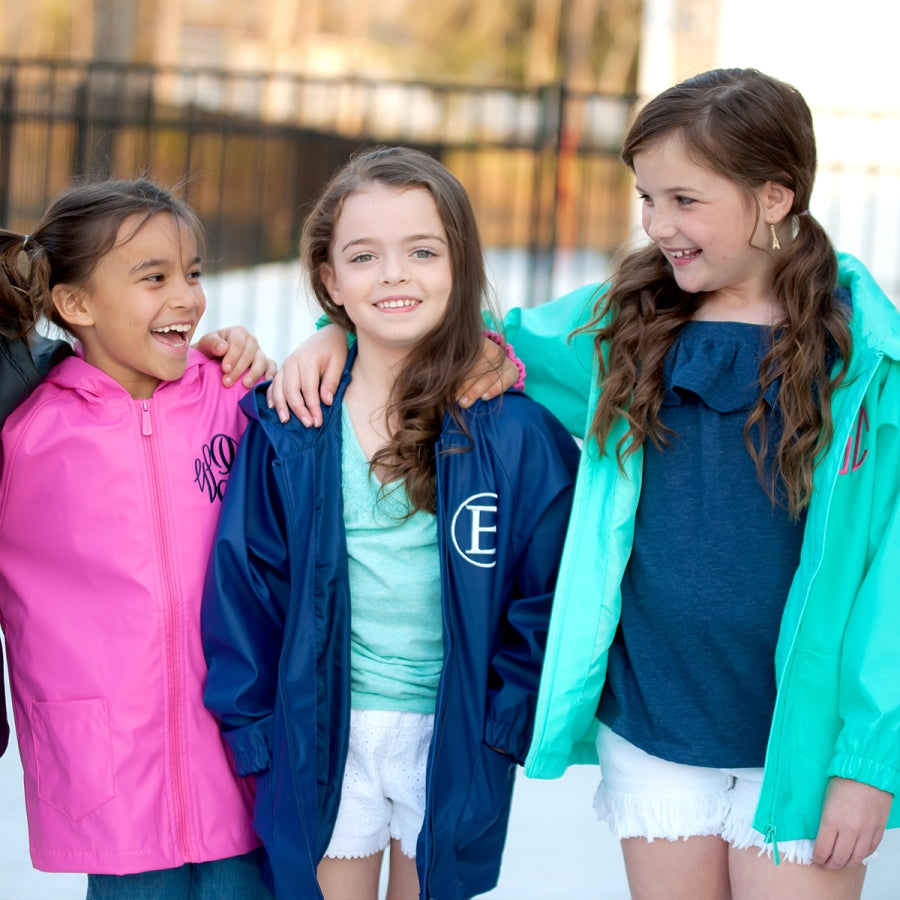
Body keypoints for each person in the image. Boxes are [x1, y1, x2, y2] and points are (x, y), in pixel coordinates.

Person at [268, 69, 900, 900]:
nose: (658, 224)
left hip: (803, 743)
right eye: (648, 199)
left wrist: (866, 762)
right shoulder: (622, 326)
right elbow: (445, 326)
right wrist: (334, 334)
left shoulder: (868, 361)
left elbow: (890, 583)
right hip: (656, 724)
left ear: (775, 197)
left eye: (684, 200)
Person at [200, 146, 579, 900]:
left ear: (460, 265)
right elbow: (246, 584)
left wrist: (504, 724)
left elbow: (545, 594)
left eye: (422, 252)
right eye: (365, 256)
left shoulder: (517, 434)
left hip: (453, 735)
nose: (394, 275)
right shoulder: (292, 425)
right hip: (322, 732)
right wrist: (256, 733)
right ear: (330, 281)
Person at [0, 178, 274, 898]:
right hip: (110, 774)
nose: (187, 298)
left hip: (237, 756)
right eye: (154, 278)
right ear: (76, 304)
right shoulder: (28, 438)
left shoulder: (236, 399)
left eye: (193, 274)